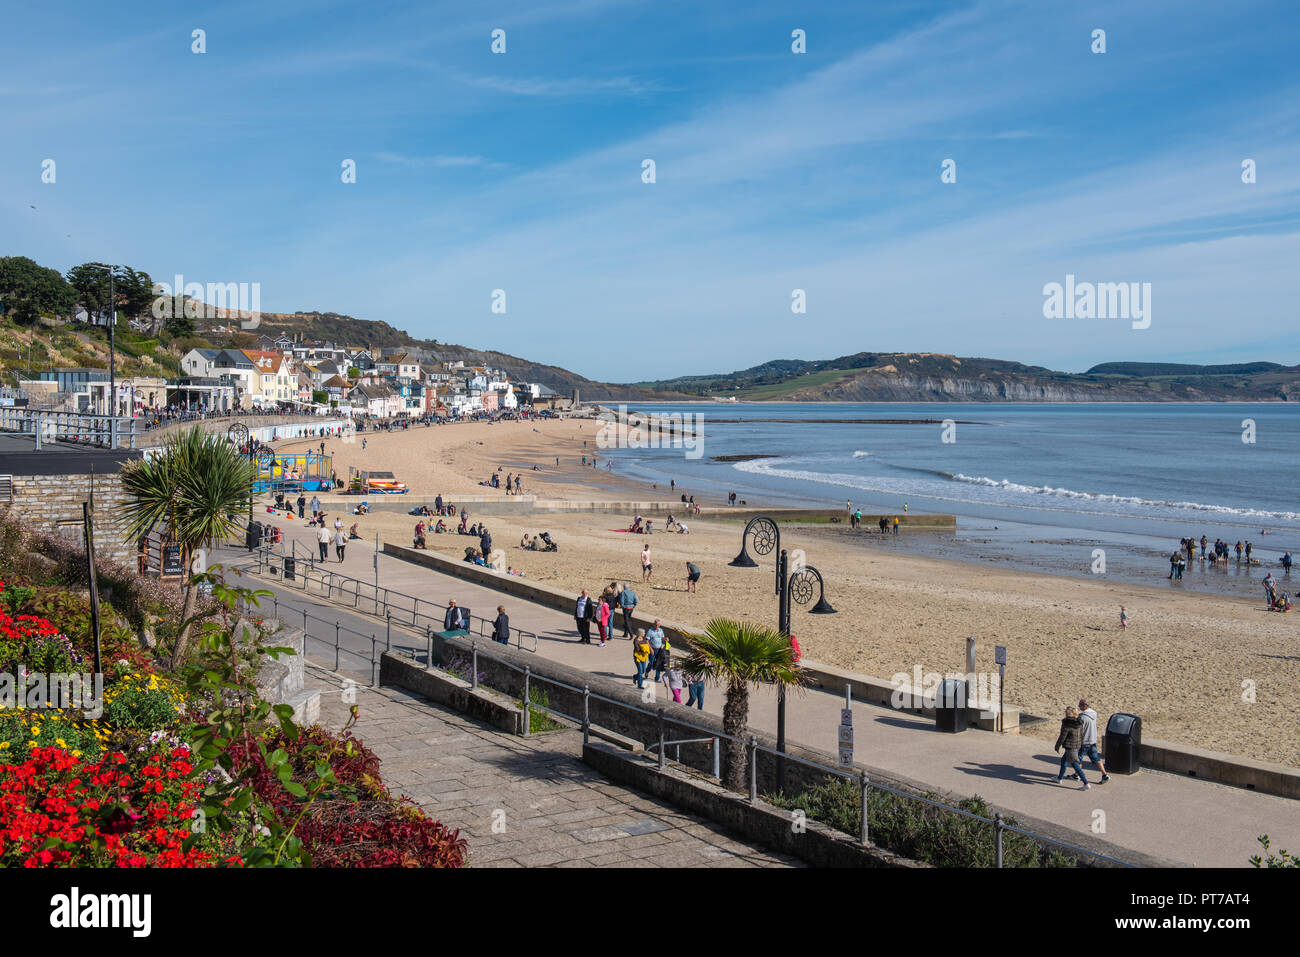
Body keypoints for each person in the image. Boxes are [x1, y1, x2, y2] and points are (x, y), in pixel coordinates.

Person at [1068, 699, 1110, 784]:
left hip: (1084, 741)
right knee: (1096, 758)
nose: (1079, 707)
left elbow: (1078, 730)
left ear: (1084, 706)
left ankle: (1077, 775)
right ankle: (1104, 775)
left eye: (1080, 705)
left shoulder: (1082, 717)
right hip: (1092, 740)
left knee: (1078, 759)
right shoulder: (1094, 714)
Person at [1053, 706, 1090, 789]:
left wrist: (1057, 746)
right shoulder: (1079, 723)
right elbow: (1081, 735)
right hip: (1077, 745)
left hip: (1070, 747)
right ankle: (1059, 778)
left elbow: (1062, 736)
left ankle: (1086, 783)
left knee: (1075, 764)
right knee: (1063, 761)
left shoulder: (1067, 724)